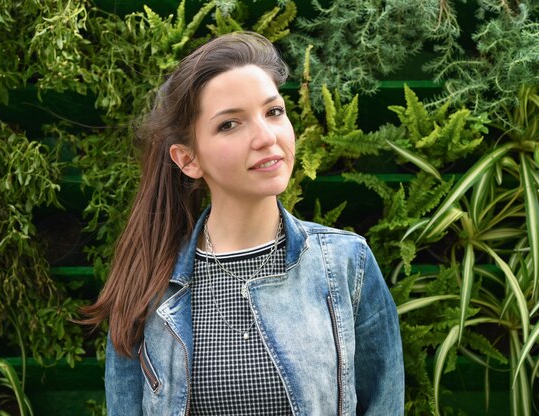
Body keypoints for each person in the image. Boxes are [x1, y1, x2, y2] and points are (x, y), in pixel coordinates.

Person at [82, 31, 404, 416]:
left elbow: (384, 403)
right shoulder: (148, 286)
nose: (266, 137)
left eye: (274, 112)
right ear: (187, 159)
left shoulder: (345, 263)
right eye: (230, 125)